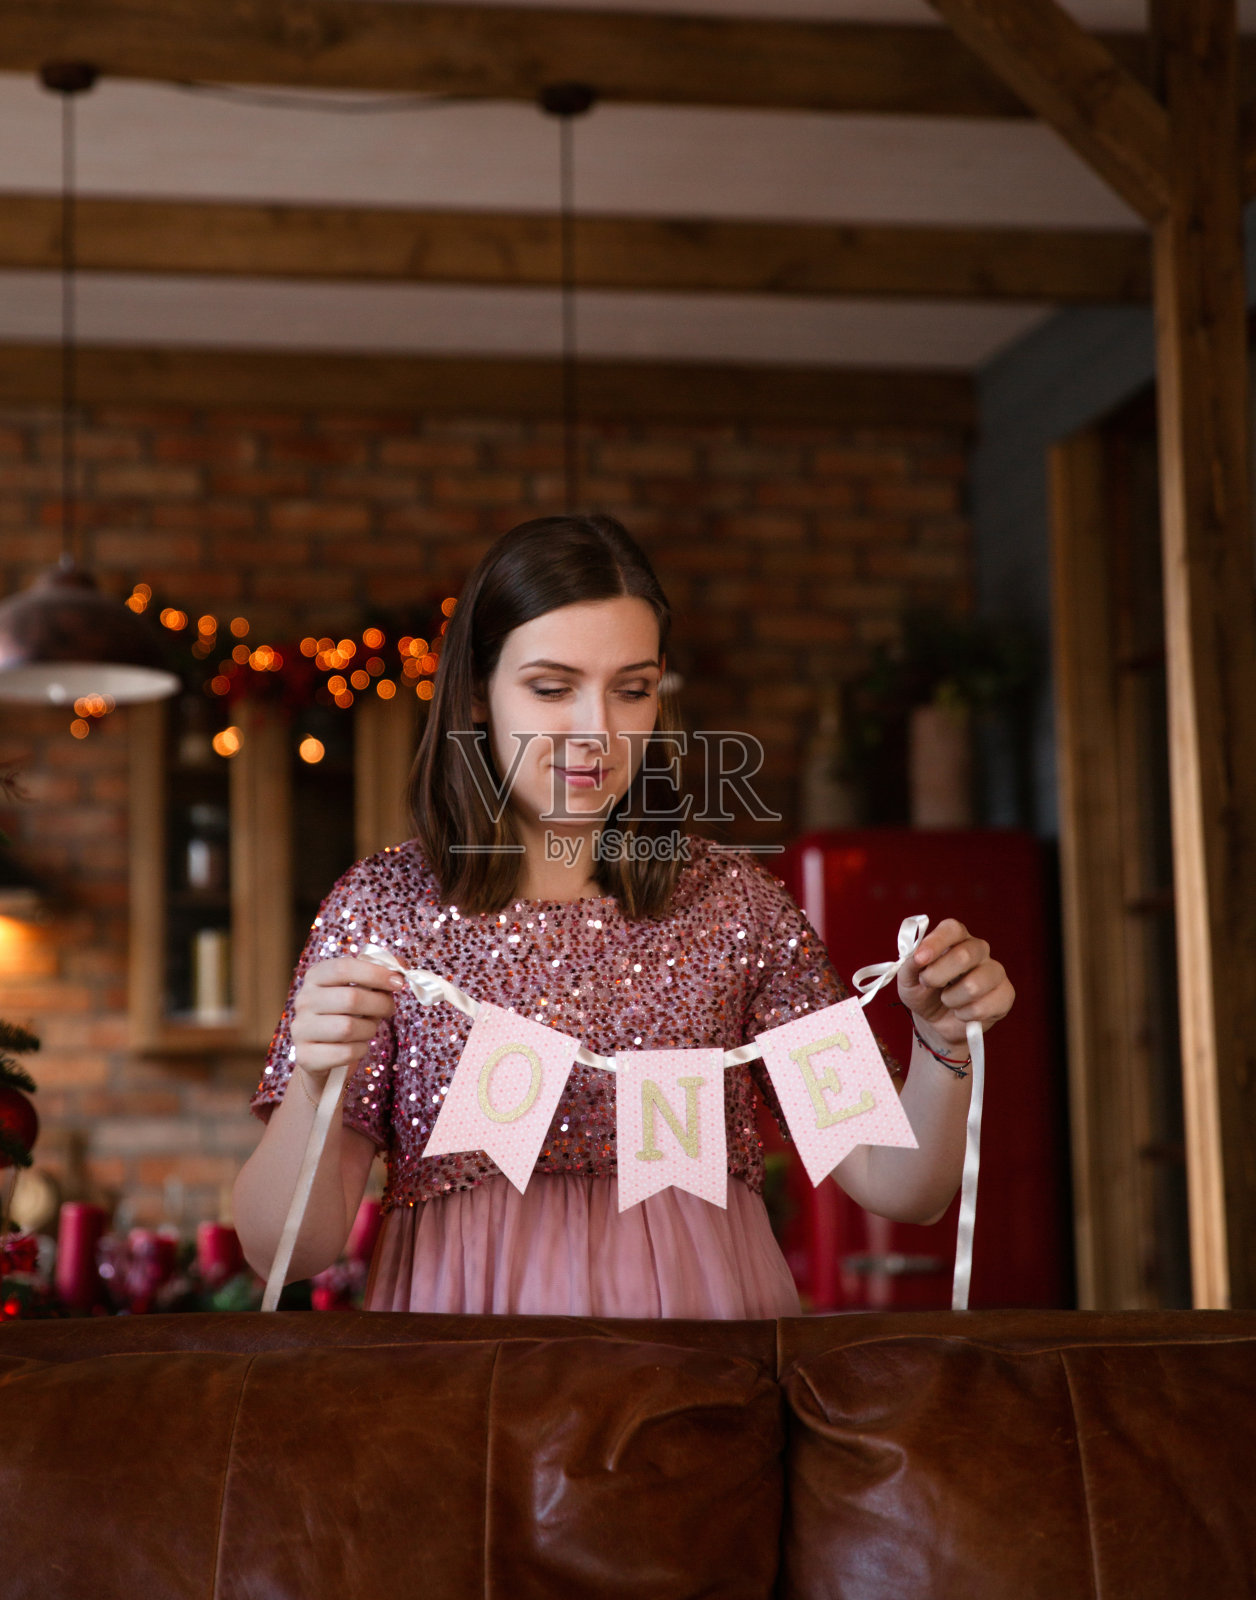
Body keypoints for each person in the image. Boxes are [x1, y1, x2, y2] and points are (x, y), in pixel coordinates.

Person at [232, 513, 1015, 1318]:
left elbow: (902, 1186)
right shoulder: (385, 911)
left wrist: (942, 1045)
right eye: (551, 687)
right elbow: (285, 1253)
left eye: (631, 689)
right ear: (474, 691)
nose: (596, 730)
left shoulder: (733, 905)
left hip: (702, 1364)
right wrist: (316, 1083)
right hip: (467, 1368)